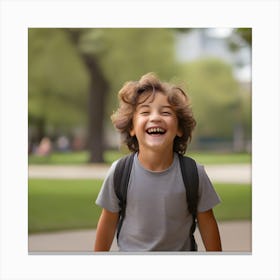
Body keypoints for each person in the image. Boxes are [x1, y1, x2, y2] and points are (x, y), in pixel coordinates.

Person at [94, 73, 222, 252]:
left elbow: (208, 225)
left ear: (178, 128)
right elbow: (107, 224)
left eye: (166, 112)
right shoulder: (119, 172)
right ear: (131, 127)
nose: (155, 117)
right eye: (145, 112)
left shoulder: (194, 174)